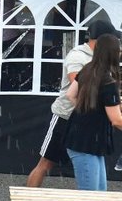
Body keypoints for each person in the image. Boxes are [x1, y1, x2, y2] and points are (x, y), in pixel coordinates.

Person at [47, 34, 122, 201]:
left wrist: (91, 107)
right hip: (85, 143)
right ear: (113, 54)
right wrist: (99, 109)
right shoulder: (108, 82)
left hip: (84, 139)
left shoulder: (88, 70)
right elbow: (116, 120)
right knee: (88, 195)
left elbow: (71, 95)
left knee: (99, 194)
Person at [26, 19, 116, 188]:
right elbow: (79, 85)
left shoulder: (102, 59)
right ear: (101, 40)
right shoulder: (77, 56)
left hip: (85, 123)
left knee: (91, 168)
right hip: (65, 117)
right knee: (45, 164)